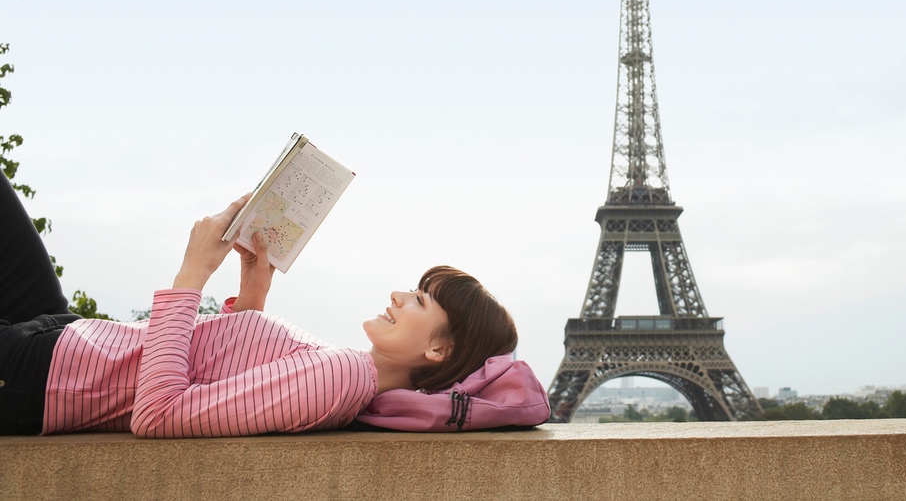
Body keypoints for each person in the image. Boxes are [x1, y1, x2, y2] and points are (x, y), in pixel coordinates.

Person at [0, 181, 518, 436]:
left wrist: (192, 275)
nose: (398, 296)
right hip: (67, 340)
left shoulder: (341, 376)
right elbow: (218, 374)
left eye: (419, 299)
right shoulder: (348, 372)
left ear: (437, 349)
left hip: (41, 375)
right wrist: (252, 297)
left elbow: (158, 413)